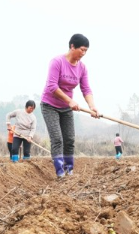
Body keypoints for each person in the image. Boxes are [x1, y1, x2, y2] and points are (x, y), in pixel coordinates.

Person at [40, 33, 100, 178]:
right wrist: (70, 101)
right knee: (57, 139)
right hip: (50, 105)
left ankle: (69, 170)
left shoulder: (82, 68)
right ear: (72, 46)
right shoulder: (57, 62)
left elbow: (86, 89)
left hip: (66, 107)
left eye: (86, 51)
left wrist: (92, 106)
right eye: (82, 49)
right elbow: (52, 86)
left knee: (69, 139)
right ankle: (60, 172)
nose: (83, 53)